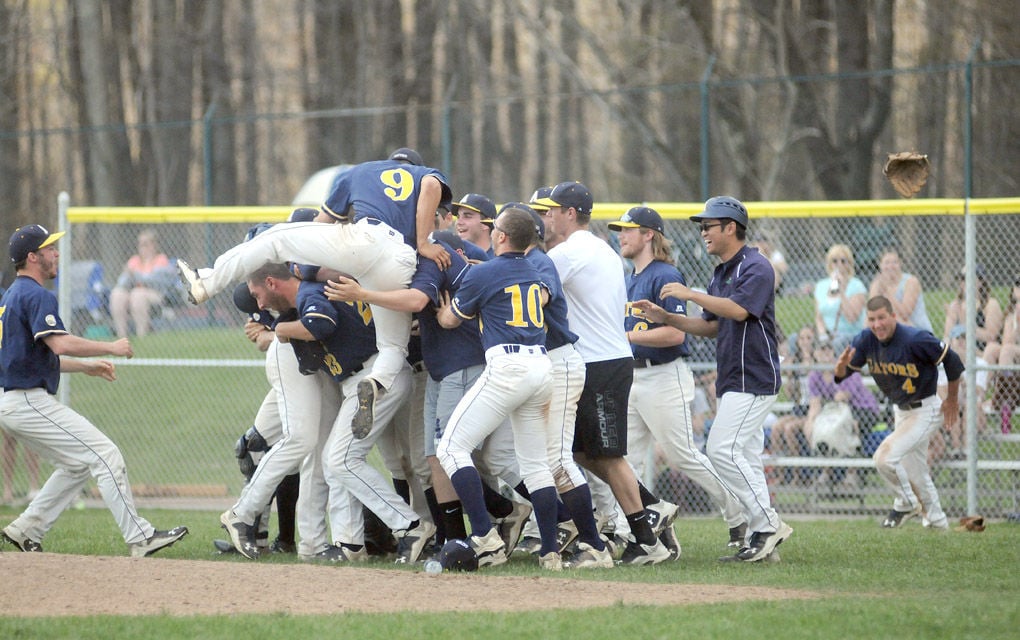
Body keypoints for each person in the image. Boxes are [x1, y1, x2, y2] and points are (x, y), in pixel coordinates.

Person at [177, 147, 452, 441]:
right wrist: (422, 241)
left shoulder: (358, 171)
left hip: (366, 240)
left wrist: (300, 260)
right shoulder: (423, 175)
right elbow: (432, 185)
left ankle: (207, 282)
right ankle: (375, 383)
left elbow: (322, 222)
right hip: (401, 262)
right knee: (392, 348)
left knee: (277, 238)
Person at [0, 224, 187, 556]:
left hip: (14, 402)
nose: (56, 253)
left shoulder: (11, 297)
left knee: (76, 465)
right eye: (49, 249)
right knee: (106, 455)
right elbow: (59, 344)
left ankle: (26, 528)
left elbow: (30, 359)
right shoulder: (35, 294)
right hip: (28, 401)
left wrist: (87, 366)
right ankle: (140, 537)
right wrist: (110, 347)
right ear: (32, 257)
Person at [633, 196, 793, 563]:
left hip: (755, 374)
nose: (703, 232)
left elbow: (738, 310)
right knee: (746, 456)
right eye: (702, 226)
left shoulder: (756, 265)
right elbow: (710, 326)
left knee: (721, 449)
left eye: (709, 225)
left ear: (730, 227)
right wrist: (668, 318)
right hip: (732, 377)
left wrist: (690, 295)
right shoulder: (720, 272)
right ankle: (761, 540)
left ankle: (767, 525)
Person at [537, 181, 676, 566]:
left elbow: (530, 282)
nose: (546, 217)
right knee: (580, 450)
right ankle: (651, 506)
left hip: (601, 363)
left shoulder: (572, 251)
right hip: (599, 360)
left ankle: (646, 540)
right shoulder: (596, 247)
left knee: (608, 454)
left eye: (551, 210)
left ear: (570, 213)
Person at [610, 206, 746, 551]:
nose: (621, 235)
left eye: (629, 229)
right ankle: (647, 530)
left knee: (683, 455)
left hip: (663, 378)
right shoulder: (629, 279)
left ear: (649, 235)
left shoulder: (665, 275)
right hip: (633, 379)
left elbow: (675, 335)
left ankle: (739, 515)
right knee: (627, 460)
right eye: (620, 230)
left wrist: (627, 339)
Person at [434, 207, 562, 570]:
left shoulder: (486, 272)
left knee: (451, 448)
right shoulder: (535, 270)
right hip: (541, 365)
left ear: (501, 236)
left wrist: (443, 307)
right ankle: (550, 551)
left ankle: (484, 537)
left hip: (508, 366)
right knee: (536, 464)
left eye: (497, 229)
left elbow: (449, 320)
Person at [834, 295, 963, 531]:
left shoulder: (915, 338)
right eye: (872, 319)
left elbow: (952, 361)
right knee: (916, 472)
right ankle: (938, 524)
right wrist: (840, 367)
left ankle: (906, 503)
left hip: (926, 409)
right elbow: (843, 375)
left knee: (883, 458)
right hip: (901, 411)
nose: (877, 324)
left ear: (893, 316)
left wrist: (952, 399)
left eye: (882, 317)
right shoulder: (866, 339)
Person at [109, 229, 175, 338]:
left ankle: (142, 335)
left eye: (145, 244)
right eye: (140, 244)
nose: (142, 248)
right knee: (117, 294)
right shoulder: (134, 260)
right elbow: (121, 282)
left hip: (155, 295)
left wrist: (134, 275)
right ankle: (121, 336)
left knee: (137, 294)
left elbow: (155, 282)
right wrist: (129, 276)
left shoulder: (160, 260)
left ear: (154, 245)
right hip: (132, 292)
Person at [944, 265, 1002, 362]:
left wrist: (966, 326)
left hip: (981, 352)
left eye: (967, 278)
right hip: (959, 348)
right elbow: (947, 335)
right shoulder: (956, 305)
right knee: (953, 343)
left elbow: (991, 336)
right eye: (962, 279)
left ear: (980, 281)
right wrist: (953, 316)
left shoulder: (990, 304)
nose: (963, 283)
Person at [814, 243, 867, 350]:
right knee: (800, 339)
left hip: (849, 334)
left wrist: (842, 291)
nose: (839, 264)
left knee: (837, 343)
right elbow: (818, 317)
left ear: (849, 264)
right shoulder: (821, 286)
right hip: (827, 334)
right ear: (829, 263)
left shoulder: (856, 285)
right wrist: (823, 336)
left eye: (843, 261)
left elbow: (851, 317)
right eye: (835, 261)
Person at [868, 248, 933, 333]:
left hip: (916, 328)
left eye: (895, 262)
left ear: (900, 264)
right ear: (880, 265)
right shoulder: (877, 284)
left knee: (893, 319)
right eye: (887, 262)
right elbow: (872, 312)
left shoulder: (910, 282)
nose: (890, 266)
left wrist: (887, 293)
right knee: (871, 321)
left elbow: (905, 314)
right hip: (889, 329)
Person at [452, 193, 497, 258]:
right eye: (458, 217)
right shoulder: (451, 258)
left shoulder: (499, 262)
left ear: (486, 224)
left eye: (467, 216)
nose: (459, 222)